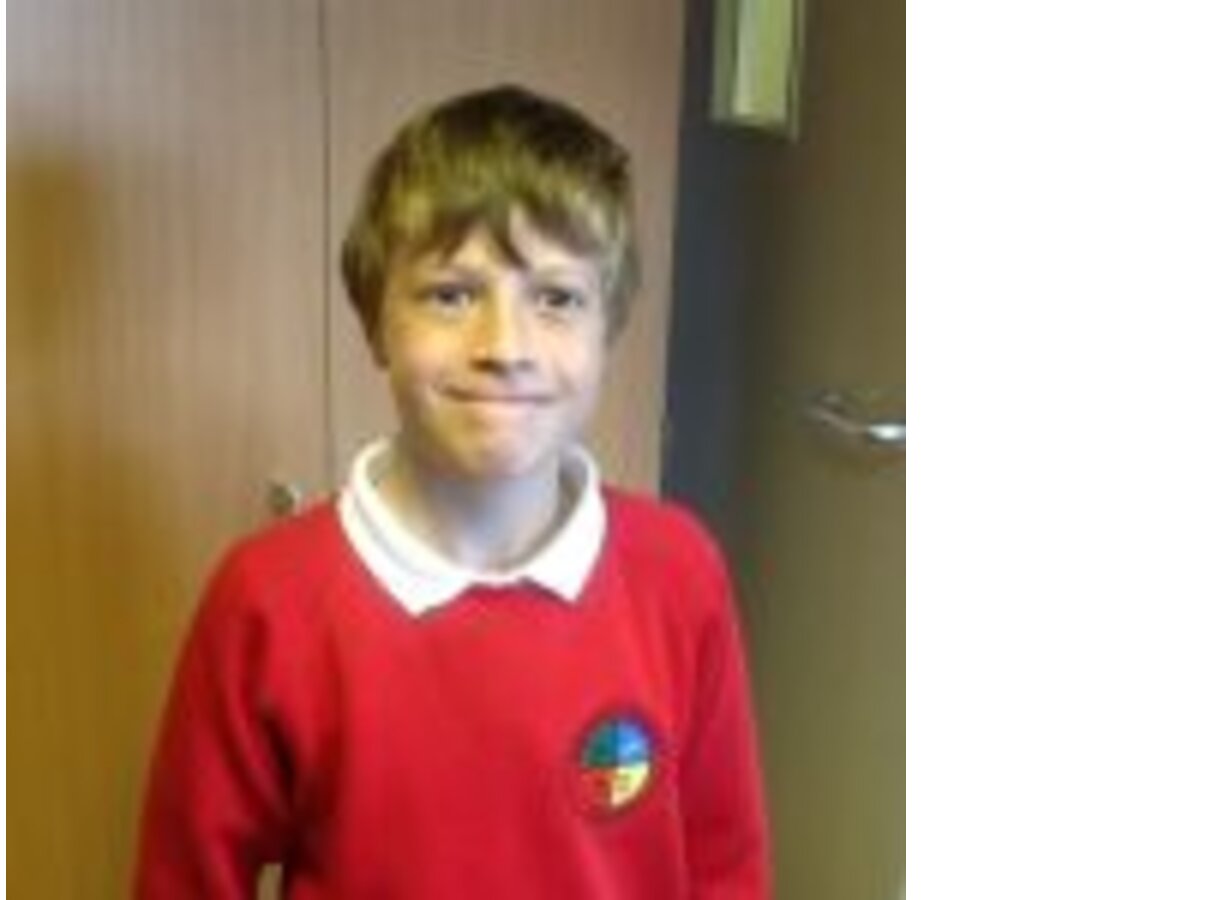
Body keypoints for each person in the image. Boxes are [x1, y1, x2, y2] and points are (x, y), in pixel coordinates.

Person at [135, 84, 770, 899]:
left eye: (557, 298)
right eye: (451, 295)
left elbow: (726, 864)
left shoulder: (679, 572)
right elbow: (185, 880)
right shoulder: (266, 599)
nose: (504, 346)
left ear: (607, 329)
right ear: (376, 323)